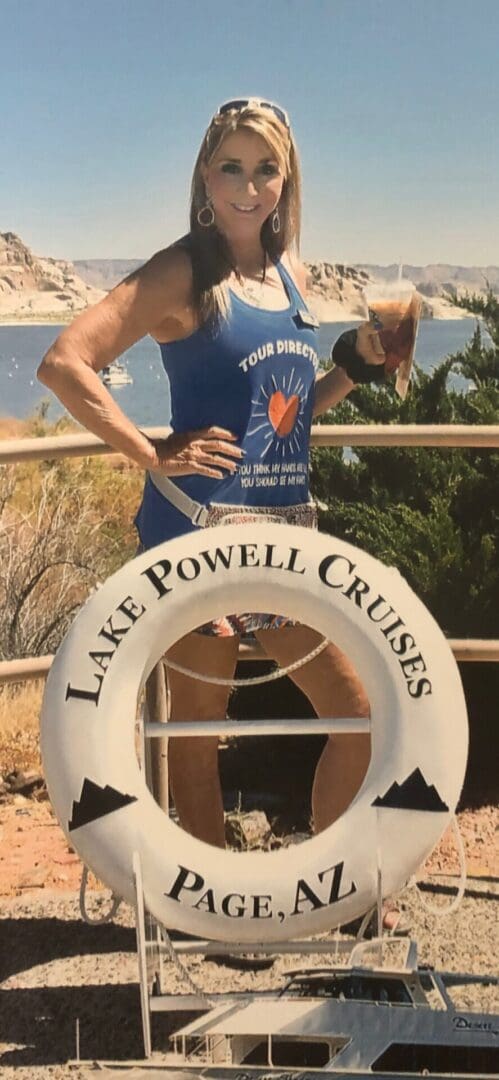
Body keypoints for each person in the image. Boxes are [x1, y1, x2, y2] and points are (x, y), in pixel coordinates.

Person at [38, 97, 402, 931]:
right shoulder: (184, 270)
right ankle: (209, 918)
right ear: (204, 177)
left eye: (264, 168)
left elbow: (283, 408)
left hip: (280, 547)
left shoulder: (286, 274)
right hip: (194, 539)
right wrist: (150, 450)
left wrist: (352, 367)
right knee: (191, 741)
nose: (248, 186)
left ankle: (326, 892)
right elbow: (67, 362)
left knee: (359, 713)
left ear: (286, 179)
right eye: (230, 166)